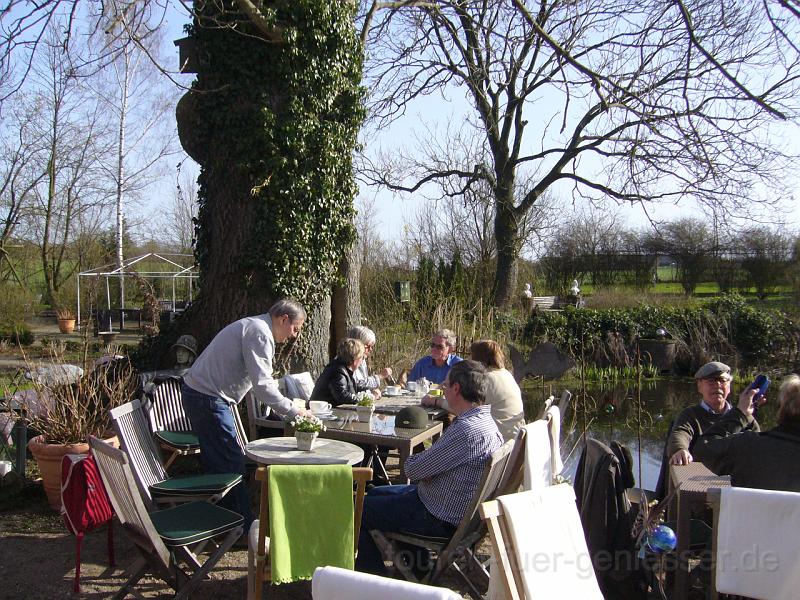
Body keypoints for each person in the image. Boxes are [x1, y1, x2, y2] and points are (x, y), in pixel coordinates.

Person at [356, 360, 503, 575]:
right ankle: (417, 568)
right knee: (376, 492)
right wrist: (430, 468)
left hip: (441, 518)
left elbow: (412, 470)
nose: (443, 390)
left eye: (445, 385)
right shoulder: (485, 421)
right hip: (459, 514)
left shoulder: (466, 430)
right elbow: (426, 468)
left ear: (456, 389)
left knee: (361, 507)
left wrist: (425, 466)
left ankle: (372, 581)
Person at [181, 299, 309, 525]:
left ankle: (223, 521)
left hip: (203, 395)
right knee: (230, 464)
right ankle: (241, 527)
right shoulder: (260, 333)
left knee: (221, 462)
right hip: (207, 398)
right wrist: (294, 411)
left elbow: (258, 381)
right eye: (295, 328)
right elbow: (262, 385)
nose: (294, 335)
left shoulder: (255, 326)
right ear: (283, 319)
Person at [693, 374, 800, 491]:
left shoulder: (746, 446)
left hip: (747, 509)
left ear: (781, 409)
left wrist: (740, 413)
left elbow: (703, 450)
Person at [665, 361, 758, 466]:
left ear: (729, 387)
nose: (717, 385)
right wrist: (680, 450)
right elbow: (680, 433)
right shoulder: (690, 415)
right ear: (699, 386)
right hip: (699, 476)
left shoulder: (744, 416)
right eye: (711, 381)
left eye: (722, 381)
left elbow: (758, 445)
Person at [468, 340, 525, 441]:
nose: (469, 359)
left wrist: (436, 401)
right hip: (516, 437)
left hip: (499, 441)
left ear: (477, 358)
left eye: (470, 355)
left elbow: (465, 408)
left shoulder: (485, 379)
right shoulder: (506, 374)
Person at [310, 338, 381, 407]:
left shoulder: (342, 368)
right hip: (322, 414)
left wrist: (370, 392)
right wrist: (369, 398)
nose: (362, 361)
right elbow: (343, 396)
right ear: (355, 359)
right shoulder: (338, 371)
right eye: (362, 358)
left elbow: (353, 385)